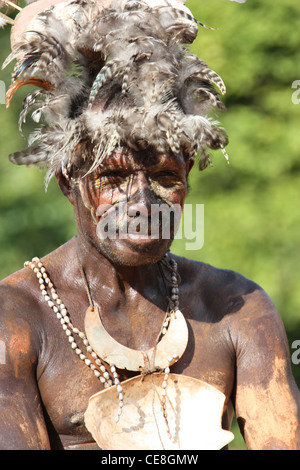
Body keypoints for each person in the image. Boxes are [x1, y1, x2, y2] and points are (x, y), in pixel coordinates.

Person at [0, 0, 299, 451]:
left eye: (164, 178)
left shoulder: (239, 309)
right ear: (69, 181)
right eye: (113, 178)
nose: (141, 204)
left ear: (187, 178)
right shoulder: (17, 316)